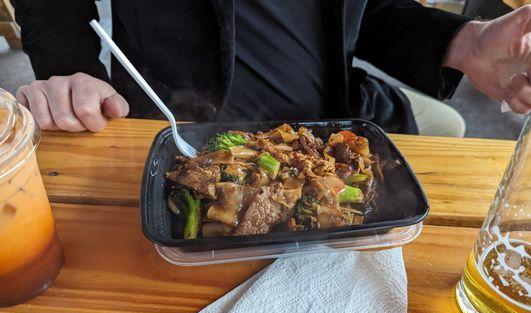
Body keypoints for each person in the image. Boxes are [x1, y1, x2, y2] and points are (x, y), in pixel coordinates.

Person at [11, 1, 531, 137]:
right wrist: (72, 71)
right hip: (170, 125)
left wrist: (466, 41)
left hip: (338, 122)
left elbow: (368, 12)